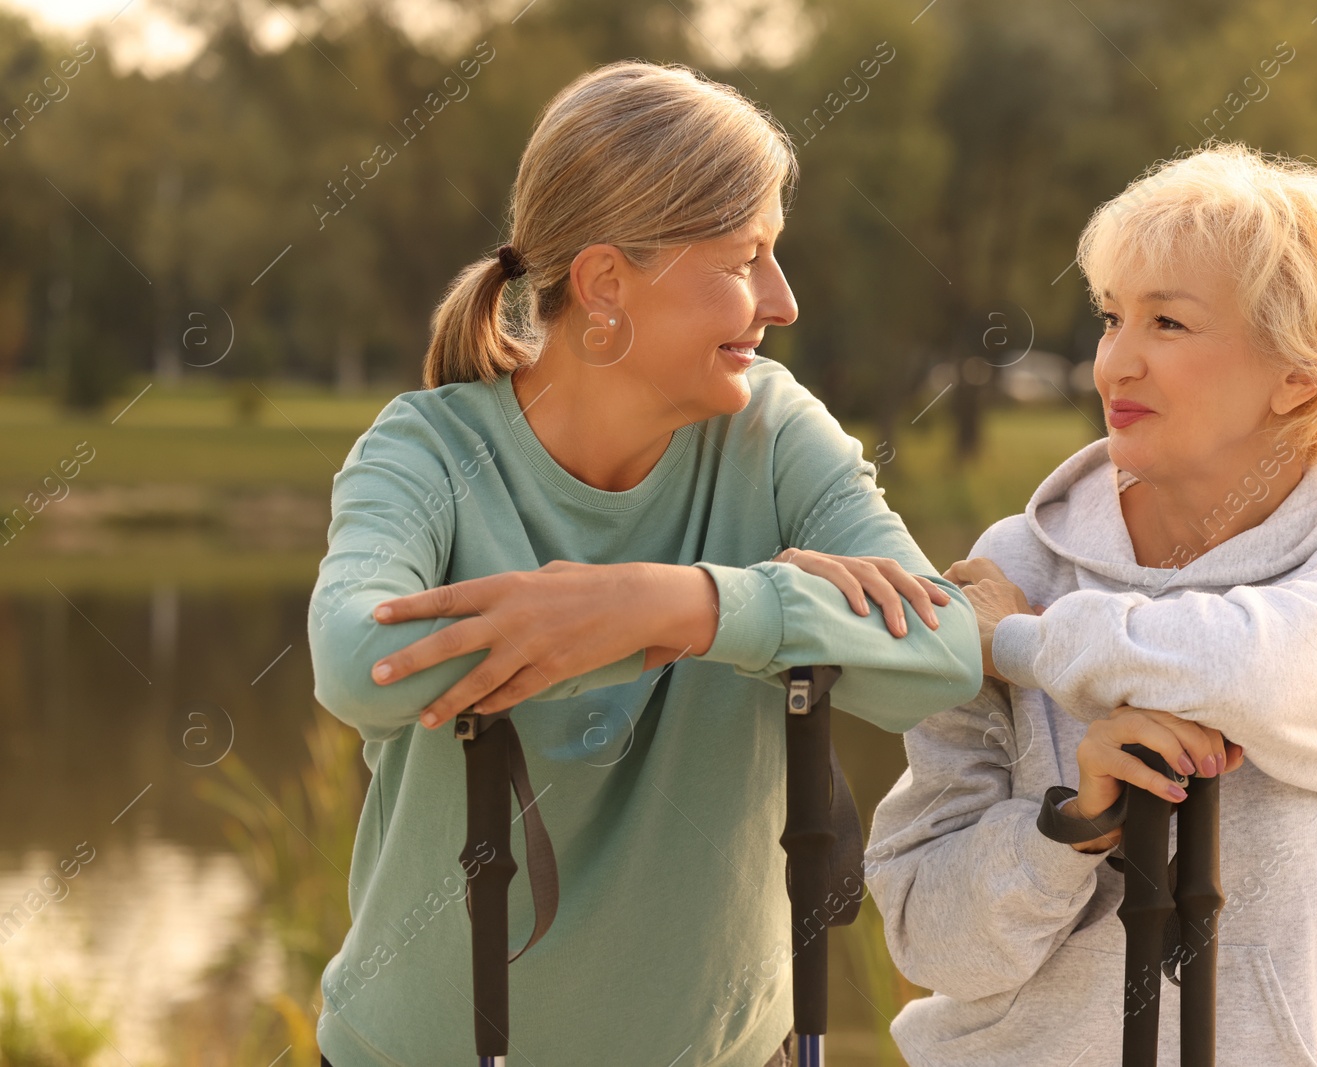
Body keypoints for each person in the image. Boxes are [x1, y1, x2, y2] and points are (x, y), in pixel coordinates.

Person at [305, 60, 982, 1067]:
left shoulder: (775, 430)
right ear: (607, 282)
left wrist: (684, 604)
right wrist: (740, 616)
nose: (782, 300)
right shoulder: (427, 450)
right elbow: (359, 663)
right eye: (745, 257)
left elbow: (940, 651)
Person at [864, 144, 1317, 1066]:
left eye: (1169, 324)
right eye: (1110, 318)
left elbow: (1237, 664)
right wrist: (1072, 827)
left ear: (1299, 372)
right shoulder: (1012, 563)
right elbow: (926, 935)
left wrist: (1018, 643)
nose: (1113, 364)